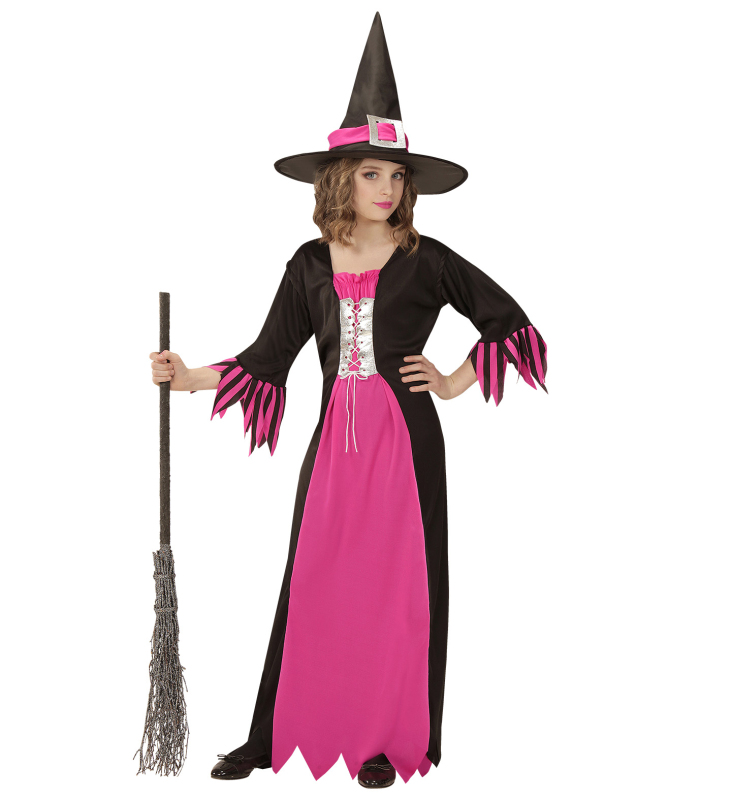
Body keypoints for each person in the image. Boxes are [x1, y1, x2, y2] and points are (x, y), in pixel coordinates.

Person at [148, 12, 547, 789]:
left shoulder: (427, 260)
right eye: (371, 174)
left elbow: (510, 324)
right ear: (339, 180)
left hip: (405, 444)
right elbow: (268, 358)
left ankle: (386, 741)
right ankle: (274, 734)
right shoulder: (307, 264)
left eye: (396, 176)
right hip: (335, 444)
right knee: (316, 579)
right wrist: (187, 375)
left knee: (400, 590)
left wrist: (454, 381)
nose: (387, 189)